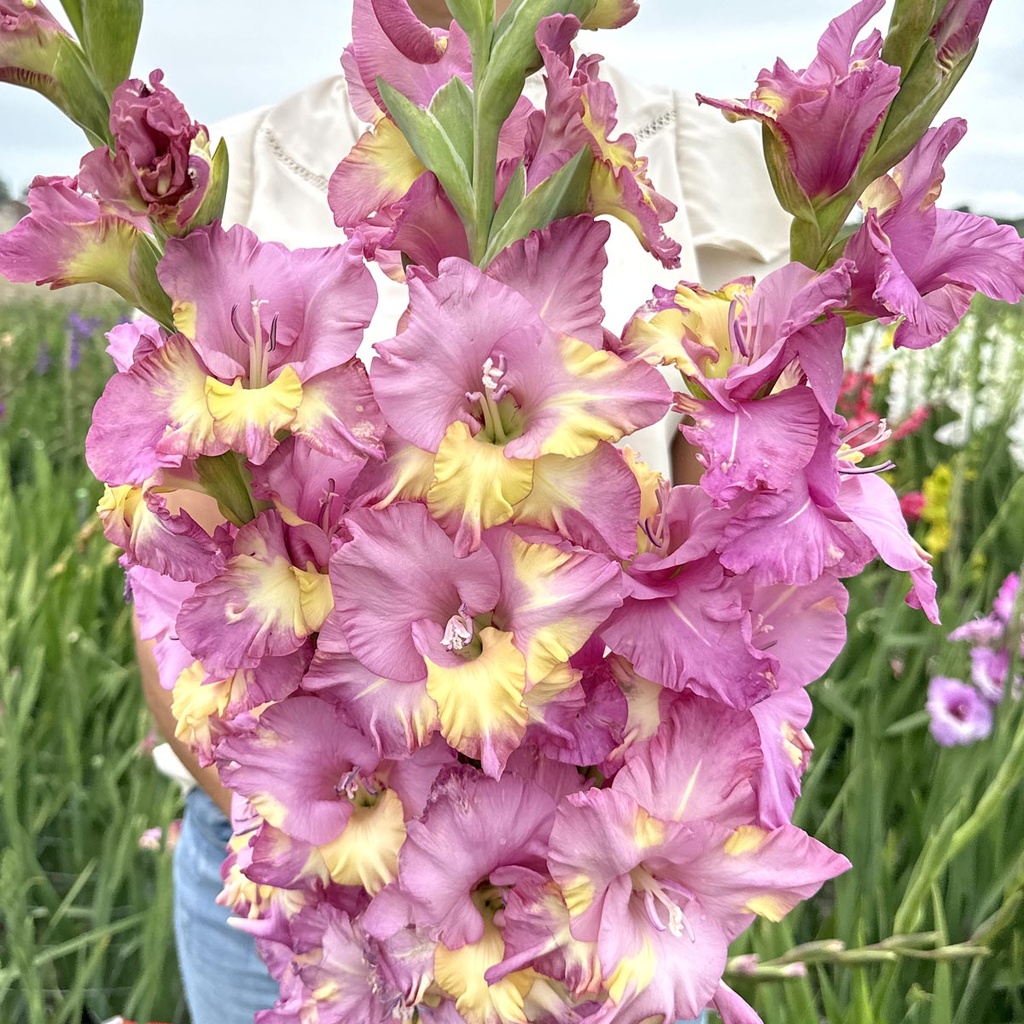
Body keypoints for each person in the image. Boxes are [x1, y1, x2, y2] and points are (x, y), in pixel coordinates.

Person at [137, 2, 791, 1021]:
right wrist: (364, 851)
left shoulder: (700, 159)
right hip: (287, 854)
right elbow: (172, 589)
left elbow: (749, 537)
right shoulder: (238, 172)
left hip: (577, 895)